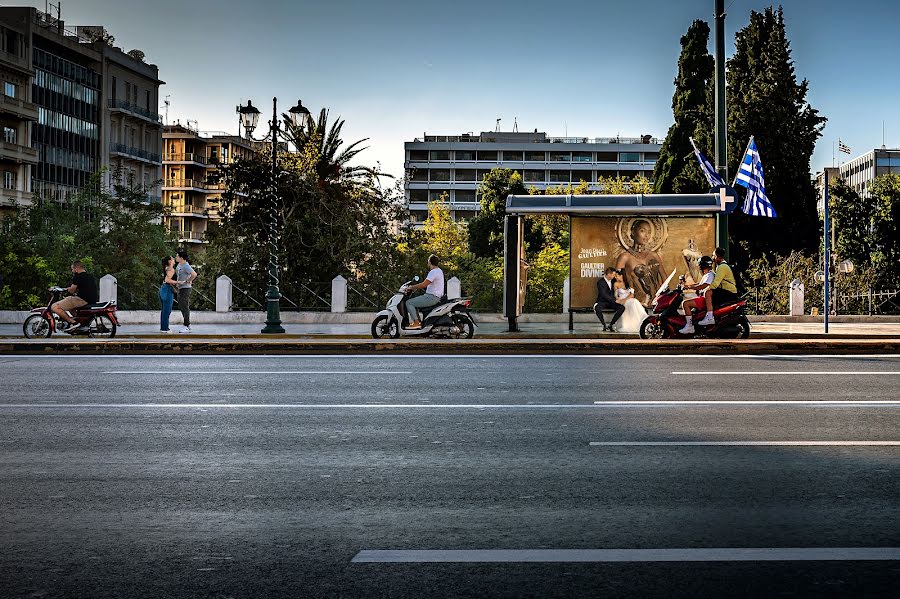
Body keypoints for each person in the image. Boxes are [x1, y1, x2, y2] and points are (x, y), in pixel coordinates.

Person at [615, 219, 665, 306]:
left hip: (656, 303)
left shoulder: (654, 255)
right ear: (633, 232)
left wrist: (664, 298)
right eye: (642, 231)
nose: (646, 235)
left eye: (649, 232)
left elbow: (664, 278)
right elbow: (618, 283)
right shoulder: (624, 257)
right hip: (637, 304)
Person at [51, 261, 98, 334]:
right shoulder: (90, 276)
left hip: (82, 300)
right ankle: (78, 321)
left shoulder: (78, 276)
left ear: (76, 269)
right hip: (91, 300)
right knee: (70, 304)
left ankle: (71, 321)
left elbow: (72, 290)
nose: (72, 271)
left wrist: (68, 289)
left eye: (72, 269)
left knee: (54, 306)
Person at [697, 247, 738, 326]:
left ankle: (709, 317)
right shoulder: (721, 266)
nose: (712, 258)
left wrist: (705, 289)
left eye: (713, 256)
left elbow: (715, 284)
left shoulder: (722, 267)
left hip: (729, 292)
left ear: (717, 256)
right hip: (727, 291)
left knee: (708, 293)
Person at [405, 254, 445, 329]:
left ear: (429, 262)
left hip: (431, 297)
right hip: (435, 297)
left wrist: (411, 287)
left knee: (409, 303)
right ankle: (419, 322)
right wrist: (416, 287)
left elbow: (424, 284)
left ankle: (416, 323)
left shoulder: (433, 272)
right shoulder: (439, 271)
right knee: (415, 302)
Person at [678, 256, 715, 334]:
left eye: (699, 264)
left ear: (702, 265)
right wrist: (688, 286)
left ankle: (689, 326)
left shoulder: (710, 275)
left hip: (704, 299)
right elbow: (698, 284)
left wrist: (690, 287)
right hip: (702, 297)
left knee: (685, 303)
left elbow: (703, 286)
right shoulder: (707, 275)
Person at [594, 267, 625, 332]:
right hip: (603, 302)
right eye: (613, 275)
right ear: (608, 274)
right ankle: (604, 325)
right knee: (597, 308)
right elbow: (603, 294)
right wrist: (615, 300)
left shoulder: (614, 281)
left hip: (611, 302)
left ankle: (611, 324)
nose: (614, 276)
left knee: (622, 308)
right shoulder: (600, 282)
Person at [174, 250, 197, 333]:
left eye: (177, 256)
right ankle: (188, 323)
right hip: (180, 288)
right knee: (181, 305)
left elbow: (194, 274)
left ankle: (186, 325)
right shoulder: (179, 265)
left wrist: (188, 280)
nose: (176, 257)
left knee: (184, 306)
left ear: (181, 258)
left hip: (185, 288)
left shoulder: (186, 266)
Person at [159, 256, 178, 334]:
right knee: (167, 310)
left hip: (163, 289)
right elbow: (167, 280)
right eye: (172, 258)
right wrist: (178, 282)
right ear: (170, 261)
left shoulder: (167, 268)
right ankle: (165, 329)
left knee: (164, 310)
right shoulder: (171, 269)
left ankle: (163, 327)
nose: (174, 259)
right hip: (167, 290)